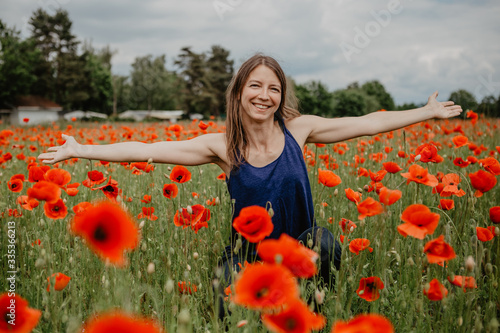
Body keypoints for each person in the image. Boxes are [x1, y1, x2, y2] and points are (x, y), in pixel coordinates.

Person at [39, 53, 462, 317]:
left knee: (327, 242)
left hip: (300, 248)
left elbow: (369, 124)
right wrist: (81, 150)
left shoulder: (300, 131)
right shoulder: (222, 146)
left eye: (273, 88)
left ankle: (318, 313)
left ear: (281, 97)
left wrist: (424, 112)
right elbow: (145, 147)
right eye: (255, 85)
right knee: (224, 280)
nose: (264, 95)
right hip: (249, 257)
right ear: (239, 92)